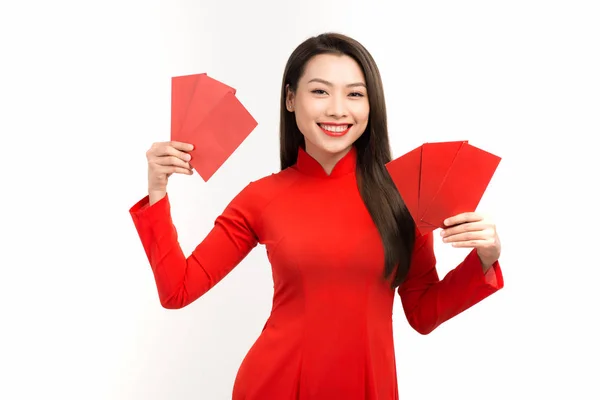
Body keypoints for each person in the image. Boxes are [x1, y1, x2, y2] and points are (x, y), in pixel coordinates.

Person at [129, 32, 503, 400]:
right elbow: (178, 290)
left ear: (372, 106)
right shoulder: (261, 197)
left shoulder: (406, 195)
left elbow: (423, 313)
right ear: (291, 99)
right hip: (276, 386)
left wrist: (484, 260)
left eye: (355, 94)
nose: (338, 109)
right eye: (320, 91)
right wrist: (158, 192)